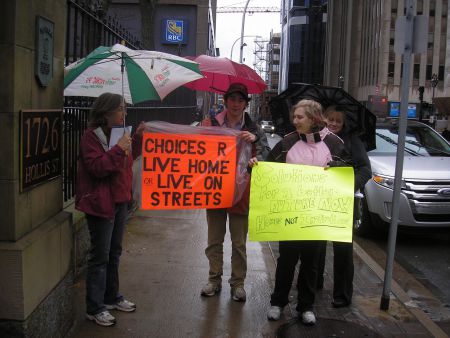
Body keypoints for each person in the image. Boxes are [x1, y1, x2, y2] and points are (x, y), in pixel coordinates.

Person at [248, 99, 350, 324]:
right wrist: (255, 163)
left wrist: (337, 168)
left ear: (313, 118)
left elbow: (346, 170)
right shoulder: (288, 141)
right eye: (294, 117)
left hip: (317, 214)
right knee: (286, 260)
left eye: (299, 117)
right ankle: (277, 302)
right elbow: (268, 164)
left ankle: (306, 306)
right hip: (290, 213)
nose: (294, 121)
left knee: (311, 262)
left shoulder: (334, 143)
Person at [76, 93, 145, 327]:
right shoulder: (90, 137)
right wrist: (118, 149)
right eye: (120, 109)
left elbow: (126, 161)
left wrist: (136, 139)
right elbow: (97, 168)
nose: (124, 113)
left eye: (124, 108)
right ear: (106, 112)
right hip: (100, 205)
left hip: (119, 202)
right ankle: (94, 308)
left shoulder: (121, 134)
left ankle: (111, 297)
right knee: (100, 257)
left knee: (114, 253)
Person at [200, 83, 270, 302]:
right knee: (214, 239)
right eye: (232, 99)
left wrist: (256, 143)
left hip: (242, 191)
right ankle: (214, 279)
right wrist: (202, 132)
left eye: (241, 100)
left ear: (246, 104)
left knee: (239, 242)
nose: (236, 104)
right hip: (216, 189)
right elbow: (196, 152)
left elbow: (267, 155)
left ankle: (238, 284)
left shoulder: (255, 128)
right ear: (225, 100)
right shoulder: (211, 123)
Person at [317, 105, 372, 308]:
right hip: (318, 200)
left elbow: (365, 170)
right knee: (317, 244)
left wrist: (347, 183)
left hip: (342, 201)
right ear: (323, 119)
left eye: (337, 121)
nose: (332, 124)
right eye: (329, 119)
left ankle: (342, 294)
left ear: (343, 124)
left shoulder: (352, 141)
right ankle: (315, 283)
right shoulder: (316, 138)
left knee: (342, 249)